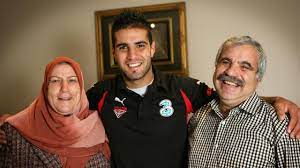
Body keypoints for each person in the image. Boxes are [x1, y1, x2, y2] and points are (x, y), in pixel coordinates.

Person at [0, 10, 300, 168]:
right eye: (123, 47)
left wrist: (276, 101)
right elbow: (60, 104)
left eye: (140, 45)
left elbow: (231, 96)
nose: (132, 56)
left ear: (153, 48)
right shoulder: (99, 93)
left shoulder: (185, 89)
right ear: (113, 52)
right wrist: (11, 123)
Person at [188, 36, 300, 167]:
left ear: (258, 78)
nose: (231, 71)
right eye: (225, 61)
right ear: (215, 66)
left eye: (245, 66)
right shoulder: (198, 116)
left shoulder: (283, 126)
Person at [0, 57, 110, 168]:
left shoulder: (101, 126)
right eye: (55, 80)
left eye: (72, 80)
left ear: (80, 88)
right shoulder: (12, 133)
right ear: (46, 89)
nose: (64, 88)